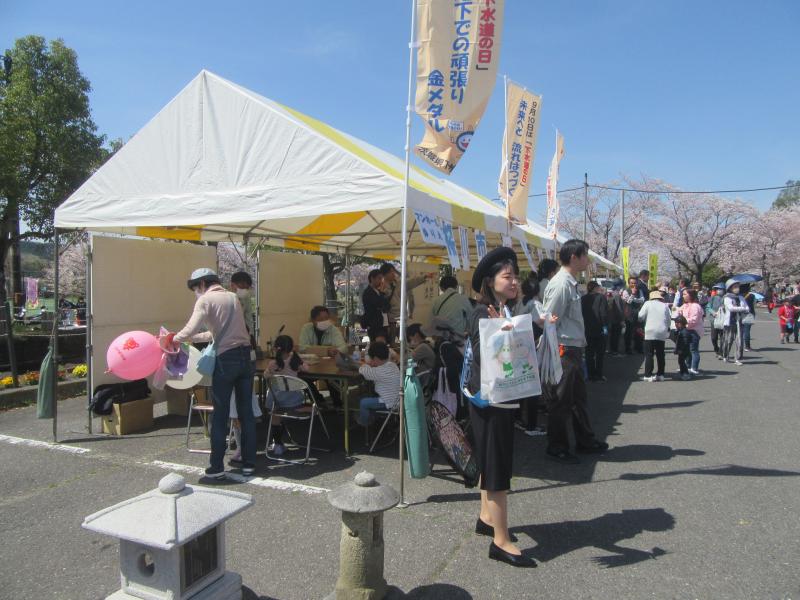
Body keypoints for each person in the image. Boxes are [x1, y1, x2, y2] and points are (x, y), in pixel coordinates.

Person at [465, 246, 536, 568]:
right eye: (508, 276)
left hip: (499, 399)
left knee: (490, 461)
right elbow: (486, 357)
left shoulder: (503, 310)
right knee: (497, 466)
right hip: (491, 401)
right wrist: (501, 332)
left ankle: (486, 517)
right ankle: (501, 541)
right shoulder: (483, 314)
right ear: (490, 281)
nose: (514, 281)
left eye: (515, 276)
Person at [169, 268, 256, 478]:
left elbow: (190, 329)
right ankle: (249, 463)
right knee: (246, 413)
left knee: (220, 414)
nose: (195, 293)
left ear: (201, 284)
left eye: (195, 288)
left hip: (226, 360)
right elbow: (218, 332)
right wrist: (192, 338)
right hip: (246, 357)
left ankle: (216, 467)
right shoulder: (232, 297)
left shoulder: (205, 300)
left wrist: (173, 339)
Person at [543, 239, 608, 465]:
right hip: (563, 348)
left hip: (573, 348)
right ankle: (557, 446)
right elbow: (549, 319)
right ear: (573, 257)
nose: (587, 260)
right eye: (585, 255)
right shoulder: (562, 283)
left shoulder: (569, 282)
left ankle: (585, 440)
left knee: (578, 398)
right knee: (561, 399)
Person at [514, 275, 548, 437]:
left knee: (521, 385)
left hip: (519, 347)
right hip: (532, 348)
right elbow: (541, 322)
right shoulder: (535, 303)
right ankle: (532, 425)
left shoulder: (520, 303)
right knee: (534, 387)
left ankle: (519, 419)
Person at [264, 335, 309, 456]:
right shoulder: (294, 361)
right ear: (291, 348)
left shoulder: (273, 364)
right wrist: (299, 359)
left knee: (276, 414)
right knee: (280, 411)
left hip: (275, 400)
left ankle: (278, 444)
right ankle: (279, 443)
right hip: (293, 401)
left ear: (275, 348)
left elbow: (266, 376)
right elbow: (306, 368)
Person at [379, 263, 430, 341]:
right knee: (391, 340)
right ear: (385, 274)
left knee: (403, 341)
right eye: (391, 272)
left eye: (393, 271)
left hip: (401, 317)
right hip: (390, 319)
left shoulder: (398, 283)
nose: (393, 274)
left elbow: (411, 282)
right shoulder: (381, 286)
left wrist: (424, 277)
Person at [356, 341, 401, 427]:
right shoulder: (392, 365)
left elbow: (364, 371)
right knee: (368, 397)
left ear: (375, 358)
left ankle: (364, 422)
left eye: (372, 359)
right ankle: (372, 417)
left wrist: (364, 364)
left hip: (389, 403)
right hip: (397, 400)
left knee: (363, 402)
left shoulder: (379, 371)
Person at [638, 290, 671, 382]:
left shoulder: (647, 303)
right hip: (661, 331)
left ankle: (648, 375)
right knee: (660, 354)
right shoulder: (664, 306)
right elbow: (668, 320)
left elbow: (640, 316)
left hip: (650, 331)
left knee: (649, 354)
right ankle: (660, 374)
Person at [581, 281, 608, 382]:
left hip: (586, 329)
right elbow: (603, 313)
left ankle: (591, 375)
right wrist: (605, 326)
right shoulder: (601, 297)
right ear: (595, 288)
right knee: (600, 353)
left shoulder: (583, 298)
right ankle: (599, 374)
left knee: (589, 353)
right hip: (599, 329)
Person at [721, 282, 749, 365]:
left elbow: (747, 307)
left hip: (739, 321)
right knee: (728, 340)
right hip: (729, 321)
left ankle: (737, 358)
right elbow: (731, 308)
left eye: (738, 287)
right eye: (735, 287)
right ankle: (726, 355)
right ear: (730, 288)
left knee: (739, 340)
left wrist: (743, 308)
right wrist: (742, 308)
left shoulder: (741, 297)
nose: (737, 289)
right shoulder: (727, 297)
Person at [678, 289, 704, 374]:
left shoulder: (695, 306)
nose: (683, 296)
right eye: (683, 294)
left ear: (691, 295)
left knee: (693, 350)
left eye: (685, 294)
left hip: (694, 330)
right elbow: (678, 312)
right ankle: (688, 366)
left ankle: (694, 368)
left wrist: (683, 321)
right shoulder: (685, 305)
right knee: (687, 350)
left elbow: (694, 320)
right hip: (686, 330)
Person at [361, 269, 389, 341]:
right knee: (378, 344)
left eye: (381, 279)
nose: (381, 281)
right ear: (372, 278)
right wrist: (382, 293)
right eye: (379, 278)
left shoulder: (378, 291)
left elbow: (387, 305)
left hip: (382, 321)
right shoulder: (368, 292)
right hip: (374, 323)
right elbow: (377, 304)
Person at [406, 323, 436, 389]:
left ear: (416, 335)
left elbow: (407, 361)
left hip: (427, 378)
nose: (410, 341)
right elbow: (413, 363)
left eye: (410, 338)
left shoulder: (422, 347)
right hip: (429, 376)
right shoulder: (427, 343)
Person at [622, 276, 645, 354]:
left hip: (638, 312)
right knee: (629, 332)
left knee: (639, 330)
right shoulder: (625, 291)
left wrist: (634, 299)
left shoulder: (640, 290)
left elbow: (642, 300)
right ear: (629, 283)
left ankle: (638, 347)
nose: (633, 284)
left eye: (635, 283)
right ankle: (628, 348)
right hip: (629, 313)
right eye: (632, 283)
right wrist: (633, 294)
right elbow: (628, 301)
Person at [607, 284, 626, 356]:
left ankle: (612, 350)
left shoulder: (611, 294)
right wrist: (622, 319)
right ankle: (614, 351)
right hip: (616, 319)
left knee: (612, 336)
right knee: (616, 336)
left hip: (611, 319)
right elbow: (619, 309)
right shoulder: (617, 295)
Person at [708, 284, 726, 358]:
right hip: (714, 320)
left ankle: (721, 352)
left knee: (723, 337)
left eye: (721, 289)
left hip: (723, 320)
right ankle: (716, 348)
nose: (719, 291)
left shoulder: (726, 298)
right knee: (713, 337)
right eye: (718, 289)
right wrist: (713, 312)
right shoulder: (713, 298)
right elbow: (708, 307)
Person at [673, 315, 693, 381]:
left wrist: (680, 349)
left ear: (682, 324)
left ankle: (685, 373)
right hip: (682, 350)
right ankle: (683, 373)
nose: (676, 325)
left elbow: (685, 342)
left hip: (684, 350)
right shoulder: (681, 331)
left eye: (677, 323)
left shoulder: (684, 332)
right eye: (675, 323)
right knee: (680, 361)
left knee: (682, 362)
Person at [741, 285, 756, 351]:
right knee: (747, 330)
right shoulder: (752, 296)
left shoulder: (739, 296)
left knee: (740, 330)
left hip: (740, 313)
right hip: (750, 313)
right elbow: (754, 304)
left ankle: (740, 345)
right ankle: (747, 346)